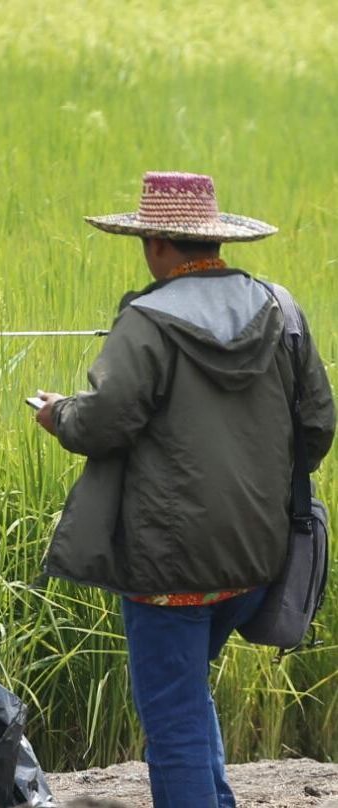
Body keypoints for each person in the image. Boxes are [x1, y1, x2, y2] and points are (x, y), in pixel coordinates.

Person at [35, 171, 336, 808]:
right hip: (257, 556)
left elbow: (104, 423)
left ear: (155, 244)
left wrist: (59, 414)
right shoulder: (282, 310)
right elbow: (317, 427)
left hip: (169, 570)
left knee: (172, 724)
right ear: (216, 242)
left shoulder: (147, 322)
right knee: (188, 695)